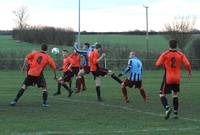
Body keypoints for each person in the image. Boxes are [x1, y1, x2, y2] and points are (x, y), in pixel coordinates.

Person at [155, 39, 191, 120]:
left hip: (168, 77)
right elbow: (187, 64)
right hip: (177, 78)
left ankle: (167, 109)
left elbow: (157, 64)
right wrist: (189, 72)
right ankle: (175, 113)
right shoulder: (181, 54)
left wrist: (163, 63)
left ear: (169, 45)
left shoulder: (165, 54)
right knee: (175, 94)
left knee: (161, 94)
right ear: (177, 45)